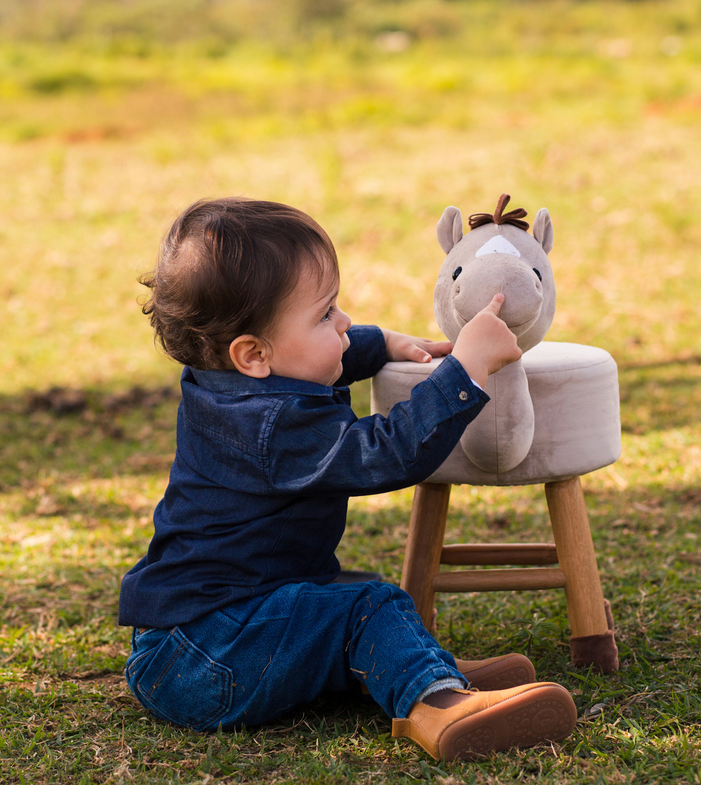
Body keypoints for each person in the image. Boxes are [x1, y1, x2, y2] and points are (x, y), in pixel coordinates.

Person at [119, 198, 576, 761]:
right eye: (325, 315)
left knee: (341, 592)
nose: (343, 322)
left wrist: (381, 344)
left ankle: (411, 664)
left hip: (197, 639)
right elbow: (385, 453)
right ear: (252, 354)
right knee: (366, 604)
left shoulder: (228, 382)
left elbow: (307, 358)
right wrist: (466, 371)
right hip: (210, 656)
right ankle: (438, 706)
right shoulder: (270, 425)